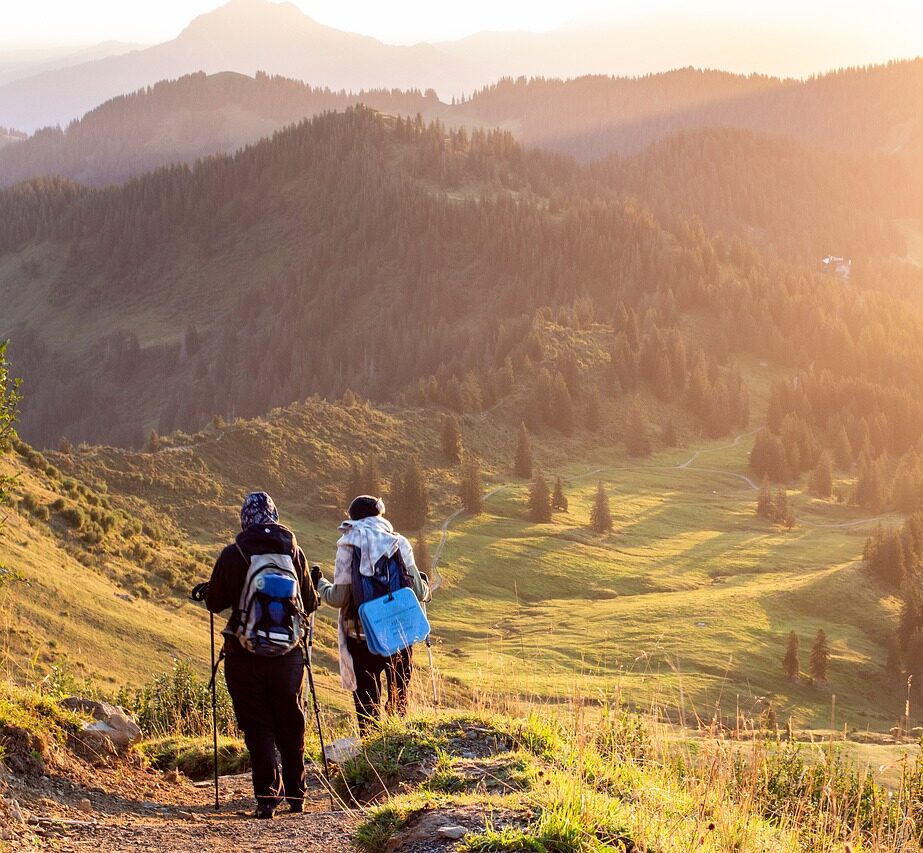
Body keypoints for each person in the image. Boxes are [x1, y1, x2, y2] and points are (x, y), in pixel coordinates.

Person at [206, 491, 317, 819]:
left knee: (257, 725)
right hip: (289, 656)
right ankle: (297, 795)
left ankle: (266, 798)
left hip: (244, 654)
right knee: (291, 721)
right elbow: (309, 604)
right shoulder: (294, 552)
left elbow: (214, 602)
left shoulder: (234, 552)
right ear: (274, 515)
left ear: (245, 519)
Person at [316, 495, 430, 734]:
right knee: (399, 700)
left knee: (368, 707)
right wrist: (425, 585)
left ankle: (371, 756)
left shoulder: (348, 544)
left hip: (361, 637)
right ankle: (398, 755)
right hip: (399, 635)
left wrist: (320, 584)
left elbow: (338, 598)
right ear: (380, 515)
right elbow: (418, 592)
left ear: (353, 518)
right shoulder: (399, 542)